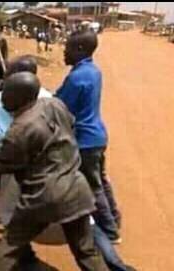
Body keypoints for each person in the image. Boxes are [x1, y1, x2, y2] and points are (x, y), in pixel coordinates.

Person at [0, 72, 108, 271]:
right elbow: (71, 123)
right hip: (76, 188)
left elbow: (1, 165)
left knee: (10, 247)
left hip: (42, 197)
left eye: (7, 92)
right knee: (86, 251)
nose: (2, 96)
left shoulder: (19, 130)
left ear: (20, 97)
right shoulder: (54, 105)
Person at [56, 30, 122, 243]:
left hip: (84, 140)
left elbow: (61, 106)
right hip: (97, 136)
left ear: (81, 49)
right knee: (101, 181)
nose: (64, 51)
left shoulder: (77, 77)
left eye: (68, 47)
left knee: (93, 186)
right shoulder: (93, 71)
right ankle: (114, 218)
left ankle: (110, 232)